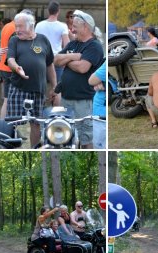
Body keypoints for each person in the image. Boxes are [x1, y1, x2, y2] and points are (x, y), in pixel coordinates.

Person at [7, 11, 57, 147]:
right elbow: (10, 59)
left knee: (37, 124)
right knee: (12, 123)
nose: (17, 30)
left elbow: (50, 64)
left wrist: (55, 86)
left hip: (38, 90)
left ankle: (34, 149)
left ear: (31, 26)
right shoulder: (14, 40)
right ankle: (9, 148)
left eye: (20, 27)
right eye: (16, 26)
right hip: (18, 88)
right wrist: (17, 68)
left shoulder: (43, 40)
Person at [54, 10, 104, 149]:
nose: (72, 29)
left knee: (85, 137)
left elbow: (83, 68)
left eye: (75, 26)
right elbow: (56, 60)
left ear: (86, 27)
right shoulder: (73, 44)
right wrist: (74, 56)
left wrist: (67, 59)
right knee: (65, 135)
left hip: (83, 100)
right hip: (66, 98)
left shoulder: (94, 46)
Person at [35, 0, 69, 88]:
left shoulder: (39, 25)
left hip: (41, 58)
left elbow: (34, 42)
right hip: (56, 59)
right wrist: (66, 59)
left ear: (48, 11)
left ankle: (41, 101)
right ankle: (56, 100)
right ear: (58, 11)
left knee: (40, 86)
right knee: (57, 87)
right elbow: (67, 45)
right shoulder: (63, 26)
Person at [88, 60, 106, 149]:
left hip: (102, 116)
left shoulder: (109, 62)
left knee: (99, 145)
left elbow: (91, 80)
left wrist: (102, 82)